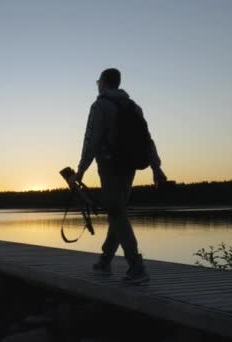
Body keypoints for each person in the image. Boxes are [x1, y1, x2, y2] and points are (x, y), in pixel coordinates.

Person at [72, 68, 167, 284]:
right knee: (118, 212)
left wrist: (81, 169)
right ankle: (105, 262)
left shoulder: (100, 106)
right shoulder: (133, 106)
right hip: (130, 165)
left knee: (116, 212)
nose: (97, 85)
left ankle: (136, 267)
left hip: (110, 164)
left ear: (104, 82)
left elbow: (92, 140)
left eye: (98, 81)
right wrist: (156, 167)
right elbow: (147, 139)